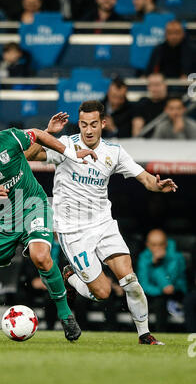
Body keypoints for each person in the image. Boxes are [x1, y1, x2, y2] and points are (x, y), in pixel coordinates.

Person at [25, 100, 178, 345]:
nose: (88, 130)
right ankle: (71, 277)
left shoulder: (114, 152)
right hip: (72, 230)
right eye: (83, 124)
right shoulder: (65, 144)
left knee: (129, 279)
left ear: (103, 123)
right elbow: (27, 156)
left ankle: (144, 335)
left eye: (93, 124)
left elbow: (146, 178)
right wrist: (47, 133)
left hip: (103, 224)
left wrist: (157, 186)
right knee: (103, 293)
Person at [0, 110, 97, 342]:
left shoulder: (10, 138)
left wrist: (70, 153)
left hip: (34, 205)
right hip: (3, 217)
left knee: (40, 255)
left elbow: (37, 135)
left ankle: (66, 315)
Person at [137, 229, 187, 331]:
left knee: (160, 301)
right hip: (155, 294)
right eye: (153, 245)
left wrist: (156, 265)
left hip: (176, 293)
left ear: (166, 244)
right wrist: (160, 291)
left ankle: (161, 333)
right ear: (147, 245)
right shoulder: (144, 257)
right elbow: (143, 284)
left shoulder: (176, 257)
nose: (157, 248)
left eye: (161, 244)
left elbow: (169, 284)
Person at [132, 73, 168, 137]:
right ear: (148, 87)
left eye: (157, 84)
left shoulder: (173, 104)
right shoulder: (142, 104)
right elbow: (137, 130)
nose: (155, 88)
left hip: (170, 142)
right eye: (151, 85)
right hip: (147, 144)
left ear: (165, 85)